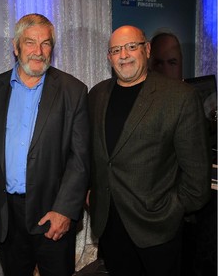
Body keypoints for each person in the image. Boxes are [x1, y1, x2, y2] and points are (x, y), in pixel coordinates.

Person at [87, 25, 211, 276]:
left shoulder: (180, 97)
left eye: (132, 47)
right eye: (116, 50)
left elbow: (197, 179)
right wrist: (93, 190)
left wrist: (170, 211)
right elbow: (97, 155)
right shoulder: (97, 94)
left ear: (147, 50)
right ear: (109, 57)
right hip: (110, 225)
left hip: (157, 230)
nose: (124, 55)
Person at [0, 13, 90, 276]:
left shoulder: (73, 91)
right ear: (16, 48)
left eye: (46, 43)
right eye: (30, 43)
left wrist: (64, 210)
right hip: (7, 217)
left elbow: (80, 158)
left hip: (53, 213)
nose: (38, 51)